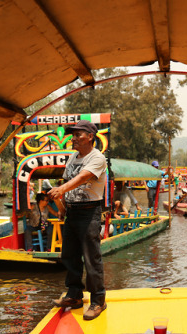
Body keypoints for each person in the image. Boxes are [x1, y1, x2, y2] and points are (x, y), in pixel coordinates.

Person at [47, 120, 107, 321]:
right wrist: (62, 208)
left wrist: (62, 190)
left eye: (78, 134)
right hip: (72, 212)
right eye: (73, 135)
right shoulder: (73, 157)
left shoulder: (97, 158)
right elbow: (67, 180)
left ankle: (98, 300)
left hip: (89, 212)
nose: (73, 138)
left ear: (90, 137)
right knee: (69, 255)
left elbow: (83, 177)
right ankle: (74, 295)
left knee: (91, 258)